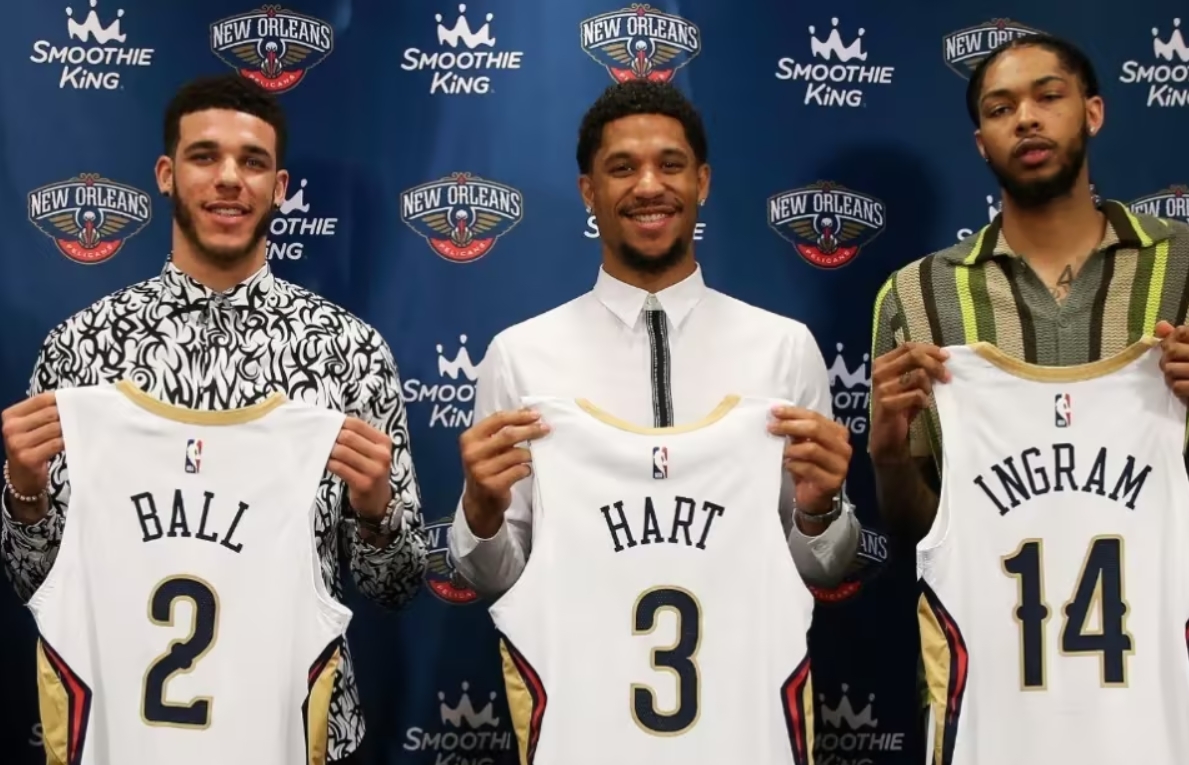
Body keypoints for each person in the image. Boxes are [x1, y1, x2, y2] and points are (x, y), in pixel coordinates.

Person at [0, 73, 427, 764]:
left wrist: (377, 512)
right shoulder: (81, 348)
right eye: (205, 156)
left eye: (252, 162)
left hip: (295, 734)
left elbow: (398, 586)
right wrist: (25, 493)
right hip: (124, 733)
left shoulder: (349, 352)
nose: (229, 178)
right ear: (166, 175)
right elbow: (37, 582)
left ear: (279, 187)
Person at [868, 34, 1189, 761]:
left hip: (1160, 695)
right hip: (995, 699)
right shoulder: (918, 298)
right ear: (980, 141)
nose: (1026, 119)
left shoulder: (1182, 271)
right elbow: (924, 528)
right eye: (1000, 108)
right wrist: (885, 454)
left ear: (1093, 112)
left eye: (1048, 96)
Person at [449, 79, 858, 598]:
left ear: (701, 182)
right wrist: (481, 513)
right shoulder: (519, 356)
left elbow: (820, 571)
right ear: (589, 192)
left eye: (670, 165)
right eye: (622, 168)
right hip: (576, 650)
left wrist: (819, 511)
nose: (648, 186)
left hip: (747, 649)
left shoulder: (785, 348)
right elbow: (498, 579)